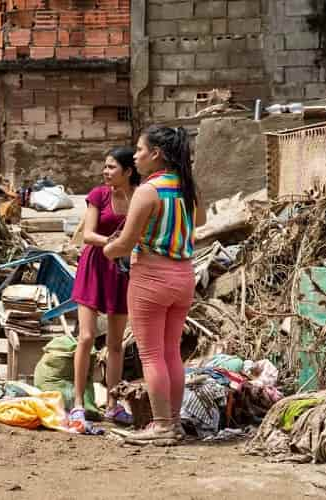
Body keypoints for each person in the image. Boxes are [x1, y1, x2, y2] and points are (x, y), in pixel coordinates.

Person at [104, 126, 206, 443]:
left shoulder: (149, 191)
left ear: (156, 154)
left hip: (151, 277)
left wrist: (106, 250)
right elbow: (199, 222)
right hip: (184, 276)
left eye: (139, 150)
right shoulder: (187, 187)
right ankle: (173, 422)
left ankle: (161, 425)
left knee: (151, 356)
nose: (135, 156)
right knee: (171, 353)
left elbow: (125, 242)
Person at [68, 147, 140, 426]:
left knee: (115, 344)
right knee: (85, 337)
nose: (105, 172)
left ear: (128, 171)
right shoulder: (99, 195)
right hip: (95, 266)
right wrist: (116, 243)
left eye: (111, 167)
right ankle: (77, 403)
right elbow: (87, 235)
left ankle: (113, 403)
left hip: (122, 270)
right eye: (105, 167)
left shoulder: (139, 197)